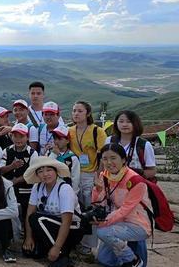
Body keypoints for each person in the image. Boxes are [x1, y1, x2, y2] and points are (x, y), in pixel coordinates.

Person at [92, 143, 151, 267]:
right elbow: (100, 204)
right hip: (118, 220)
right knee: (104, 259)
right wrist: (97, 189)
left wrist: (104, 222)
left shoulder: (135, 181)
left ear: (124, 160)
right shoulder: (105, 176)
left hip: (138, 223)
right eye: (105, 158)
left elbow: (125, 209)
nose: (109, 162)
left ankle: (132, 260)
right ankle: (126, 259)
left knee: (103, 232)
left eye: (113, 158)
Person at [23, 156, 84, 267]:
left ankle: (62, 255)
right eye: (40, 171)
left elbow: (67, 221)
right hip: (50, 226)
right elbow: (29, 212)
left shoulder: (64, 188)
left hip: (72, 229)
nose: (45, 174)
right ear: (37, 175)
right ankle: (50, 248)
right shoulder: (37, 187)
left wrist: (57, 247)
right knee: (29, 251)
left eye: (49, 170)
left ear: (56, 171)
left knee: (37, 218)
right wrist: (28, 237)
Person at [69, 100, 106, 255]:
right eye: (74, 110)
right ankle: (76, 239)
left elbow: (103, 156)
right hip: (75, 172)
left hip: (91, 174)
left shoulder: (97, 131)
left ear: (88, 114)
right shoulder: (69, 131)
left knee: (91, 208)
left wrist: (99, 176)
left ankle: (89, 244)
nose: (76, 114)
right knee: (76, 207)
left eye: (80, 111)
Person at [0, 123, 38, 222]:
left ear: (27, 137)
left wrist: (16, 180)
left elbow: (34, 173)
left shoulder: (32, 153)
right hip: (9, 190)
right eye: (15, 136)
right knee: (11, 218)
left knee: (26, 217)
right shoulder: (7, 151)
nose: (18, 139)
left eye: (21, 136)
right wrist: (12, 166)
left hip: (27, 191)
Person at [107, 110, 156, 181]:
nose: (124, 124)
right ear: (116, 123)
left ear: (135, 123)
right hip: (112, 183)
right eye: (121, 121)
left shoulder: (144, 144)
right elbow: (102, 164)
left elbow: (152, 171)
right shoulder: (109, 141)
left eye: (129, 122)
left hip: (135, 185)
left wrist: (134, 176)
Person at [48, 126, 81, 194]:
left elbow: (75, 179)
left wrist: (73, 194)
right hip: (51, 191)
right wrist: (53, 154)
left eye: (60, 139)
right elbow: (47, 167)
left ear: (67, 141)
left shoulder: (73, 158)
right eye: (55, 139)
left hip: (66, 191)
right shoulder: (49, 153)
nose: (56, 141)